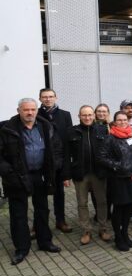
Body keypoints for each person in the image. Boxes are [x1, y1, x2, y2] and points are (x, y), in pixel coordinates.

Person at [0, 98, 62, 265]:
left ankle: (45, 242)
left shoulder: (45, 126)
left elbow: (56, 149)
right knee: (18, 214)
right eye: (26, 109)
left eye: (33, 109)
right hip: (17, 176)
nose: (30, 113)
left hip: (40, 175)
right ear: (18, 110)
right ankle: (21, 248)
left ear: (37, 110)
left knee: (42, 209)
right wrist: (9, 172)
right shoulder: (6, 129)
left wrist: (53, 166)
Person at [64, 105, 112, 245]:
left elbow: (109, 151)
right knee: (82, 203)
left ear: (94, 116)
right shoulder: (71, 131)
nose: (87, 117)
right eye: (84, 115)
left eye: (90, 115)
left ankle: (103, 228)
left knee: (102, 202)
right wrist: (66, 176)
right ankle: (86, 230)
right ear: (79, 116)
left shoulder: (103, 130)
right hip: (80, 174)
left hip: (99, 173)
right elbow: (66, 155)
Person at [98, 111, 132, 251]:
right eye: (119, 120)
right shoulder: (110, 138)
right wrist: (117, 166)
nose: (122, 122)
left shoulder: (131, 135)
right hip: (118, 179)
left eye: (124, 120)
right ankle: (118, 237)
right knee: (119, 209)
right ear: (115, 122)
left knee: (128, 207)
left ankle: (125, 234)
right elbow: (101, 157)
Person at [37, 88, 73, 233]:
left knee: (59, 194)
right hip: (41, 162)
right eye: (44, 97)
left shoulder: (65, 115)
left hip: (59, 162)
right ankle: (39, 224)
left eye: (51, 96)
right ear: (40, 99)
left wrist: (67, 171)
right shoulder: (36, 114)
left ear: (56, 98)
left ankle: (60, 221)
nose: (48, 99)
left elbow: (68, 142)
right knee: (40, 196)